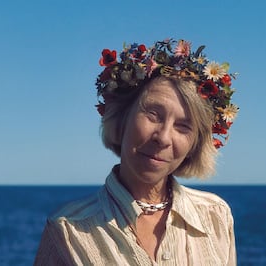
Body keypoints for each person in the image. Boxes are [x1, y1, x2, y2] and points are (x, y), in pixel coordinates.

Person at [34, 38, 239, 265]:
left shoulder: (215, 215)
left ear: (194, 145)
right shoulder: (68, 230)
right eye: (152, 114)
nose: (163, 137)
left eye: (183, 126)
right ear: (122, 119)